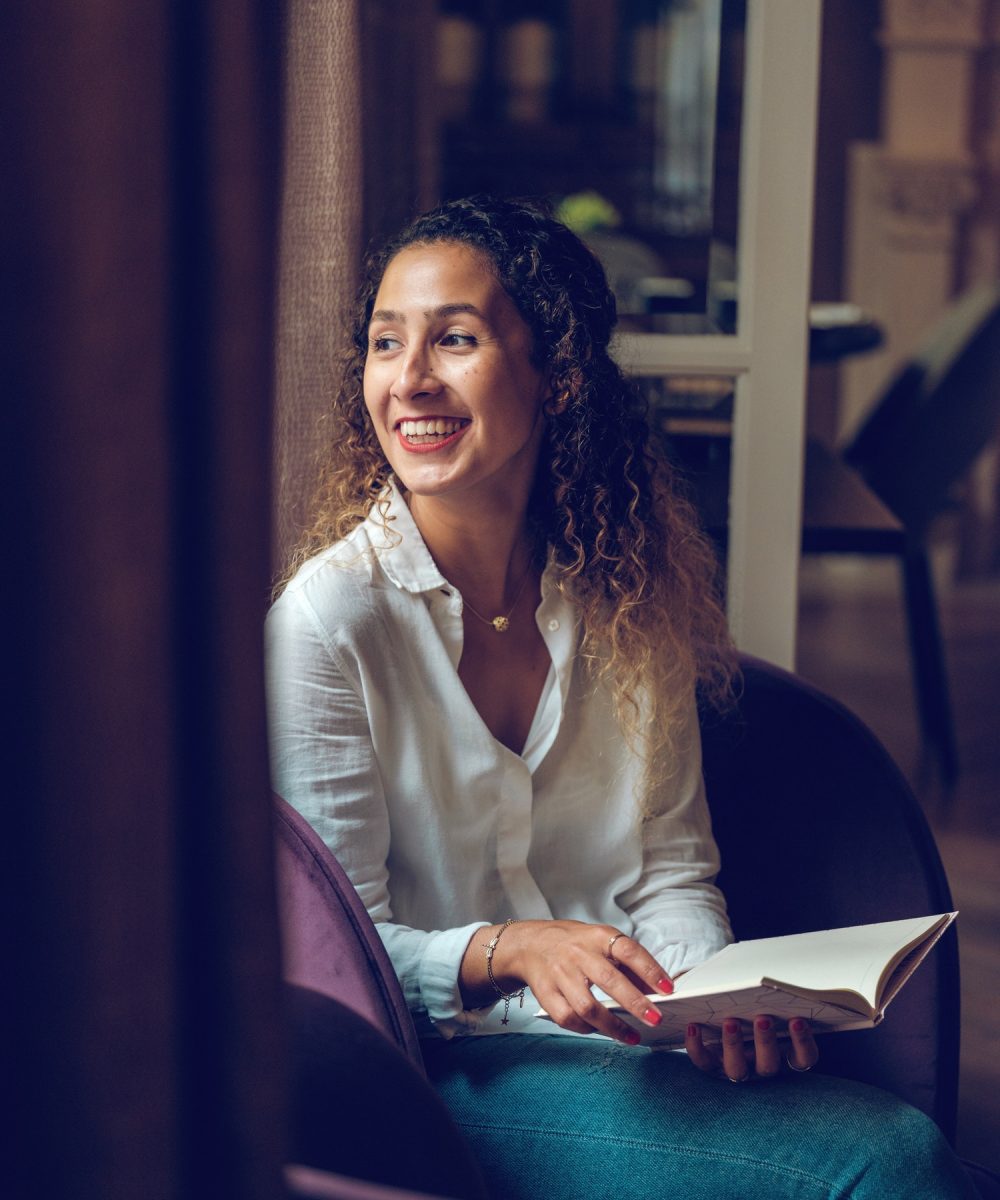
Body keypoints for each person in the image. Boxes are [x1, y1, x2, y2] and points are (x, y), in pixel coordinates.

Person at [267, 195, 975, 1198]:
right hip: (438, 1072)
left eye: (455, 339)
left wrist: (710, 1002)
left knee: (893, 1152)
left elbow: (671, 870)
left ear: (555, 379)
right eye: (386, 344)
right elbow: (331, 954)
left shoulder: (627, 597)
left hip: (637, 1057)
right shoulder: (325, 623)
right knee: (882, 1160)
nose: (410, 379)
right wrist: (509, 951)